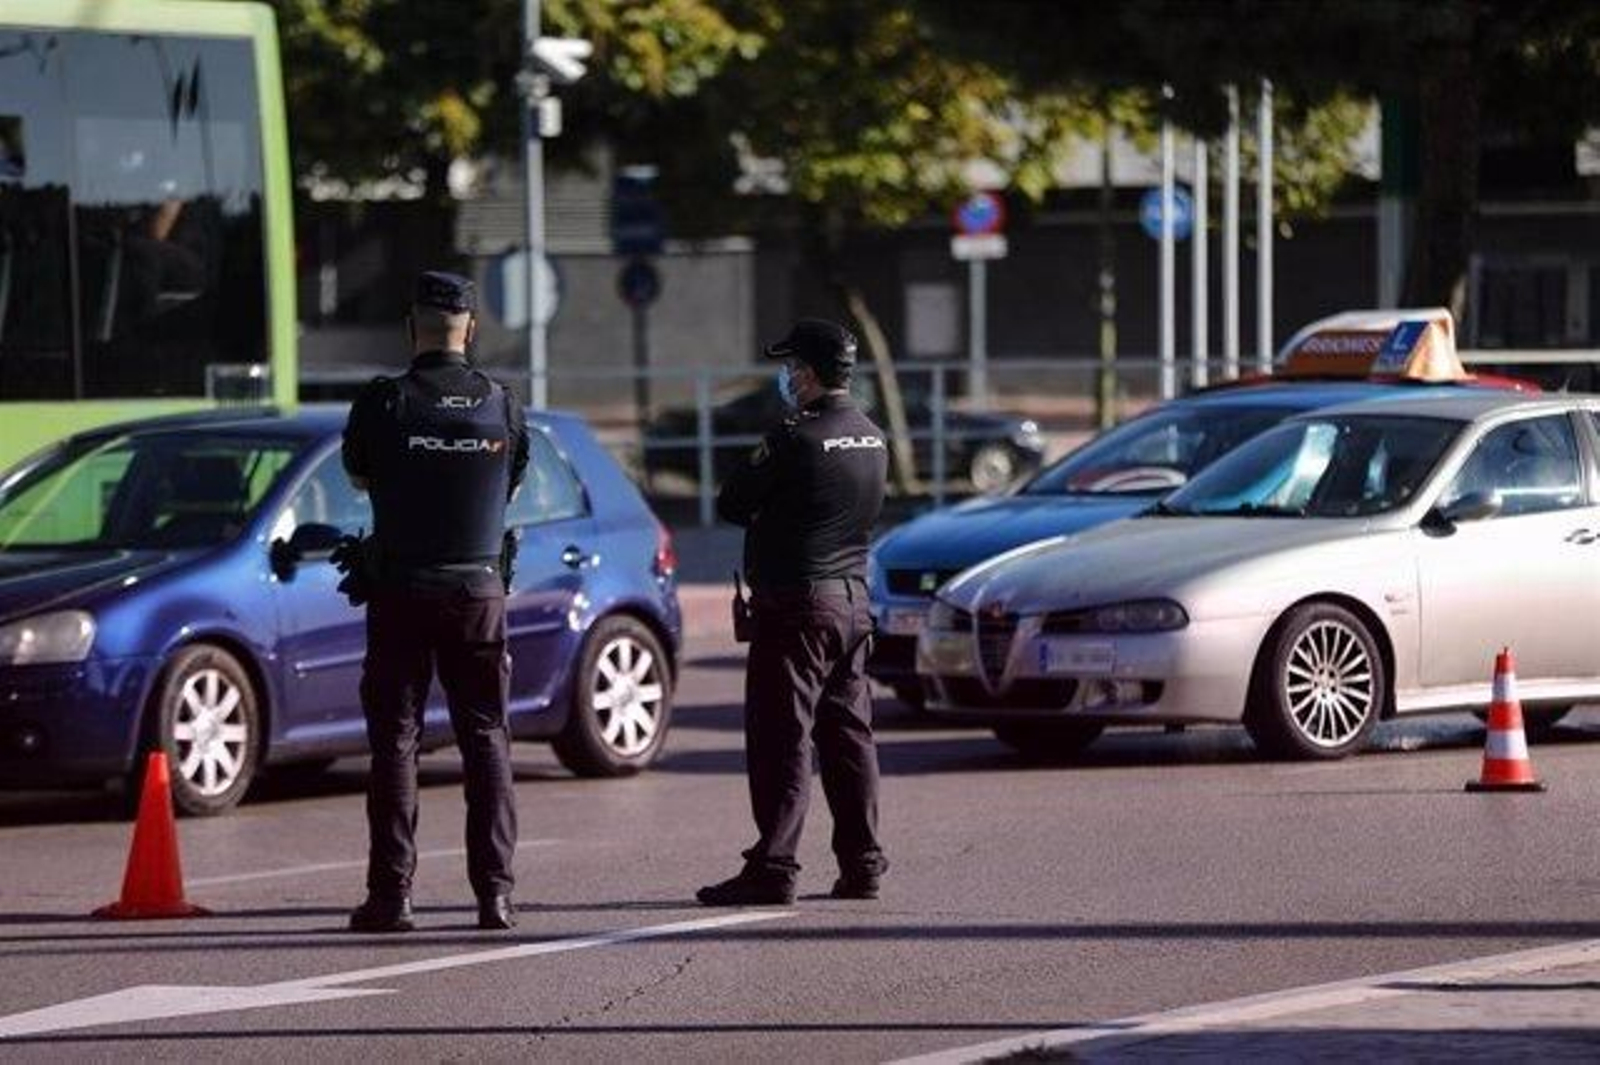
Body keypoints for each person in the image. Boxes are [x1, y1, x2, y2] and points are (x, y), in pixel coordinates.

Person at [342, 270, 529, 933]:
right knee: (487, 736)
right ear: (470, 328)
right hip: (478, 592)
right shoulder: (502, 404)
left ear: (409, 327)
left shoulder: (384, 400)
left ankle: (391, 897)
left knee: (396, 741)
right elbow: (510, 485)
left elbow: (358, 475)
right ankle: (495, 897)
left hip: (402, 590)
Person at [698, 318, 890, 906]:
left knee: (782, 738)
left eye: (790, 367)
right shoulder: (872, 436)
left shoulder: (794, 437)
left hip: (798, 610)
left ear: (807, 373)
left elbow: (733, 502)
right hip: (853, 604)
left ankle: (774, 867)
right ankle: (862, 864)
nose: (786, 377)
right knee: (849, 737)